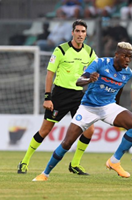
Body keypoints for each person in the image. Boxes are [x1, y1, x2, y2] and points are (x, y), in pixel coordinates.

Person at [32, 42, 132, 181]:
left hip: (108, 106)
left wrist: (117, 108)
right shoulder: (100, 63)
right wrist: (89, 79)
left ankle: (114, 161)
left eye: (130, 57)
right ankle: (45, 173)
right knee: (67, 142)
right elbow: (79, 81)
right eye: (124, 56)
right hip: (88, 107)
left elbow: (119, 89)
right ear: (116, 55)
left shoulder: (128, 73)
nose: (127, 60)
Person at [17, 19, 97, 176]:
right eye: (78, 31)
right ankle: (25, 161)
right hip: (60, 95)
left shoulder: (89, 52)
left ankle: (75, 164)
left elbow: (98, 68)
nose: (80, 34)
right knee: (45, 130)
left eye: (83, 31)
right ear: (72, 33)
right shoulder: (61, 50)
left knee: (89, 130)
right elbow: (50, 74)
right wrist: (48, 97)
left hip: (78, 96)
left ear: (86, 34)